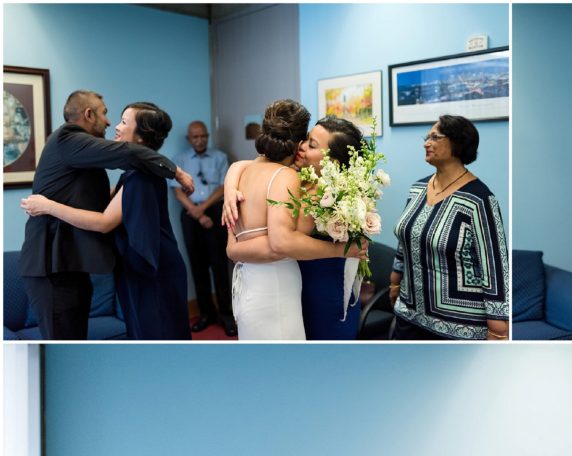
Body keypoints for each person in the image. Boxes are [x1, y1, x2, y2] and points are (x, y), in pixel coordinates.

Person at [17, 89, 194, 340]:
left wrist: (48, 205)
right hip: (52, 265)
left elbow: (102, 212)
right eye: (107, 114)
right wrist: (175, 170)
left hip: (81, 265)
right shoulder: (69, 139)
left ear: (142, 137)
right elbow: (126, 155)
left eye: (123, 121)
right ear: (89, 115)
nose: (112, 124)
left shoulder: (139, 175)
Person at [225, 100, 364, 341]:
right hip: (290, 286)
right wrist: (231, 181)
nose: (299, 147)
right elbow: (251, 165)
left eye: (311, 144)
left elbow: (281, 242)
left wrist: (236, 247)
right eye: (305, 138)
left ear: (335, 162)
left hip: (324, 290)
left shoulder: (336, 193)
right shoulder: (295, 177)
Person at [389, 114, 509, 340]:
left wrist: (499, 328)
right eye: (427, 137)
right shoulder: (417, 189)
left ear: (457, 142)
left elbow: (494, 265)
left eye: (435, 137)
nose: (426, 143)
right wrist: (394, 281)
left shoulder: (479, 199)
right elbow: (404, 240)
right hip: (408, 314)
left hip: (458, 326)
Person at [171, 120, 237, 336]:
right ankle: (206, 314)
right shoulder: (179, 160)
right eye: (195, 137)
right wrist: (196, 213)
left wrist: (204, 210)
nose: (199, 140)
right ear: (189, 139)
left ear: (207, 136)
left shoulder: (220, 157)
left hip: (215, 211)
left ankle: (227, 315)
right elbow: (177, 190)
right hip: (190, 216)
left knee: (219, 266)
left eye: (203, 136)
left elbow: (222, 187)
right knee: (197, 267)